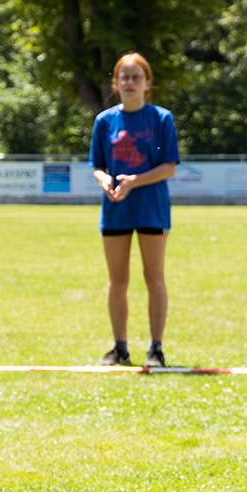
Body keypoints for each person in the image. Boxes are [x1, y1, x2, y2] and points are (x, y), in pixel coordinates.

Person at [90, 52, 178, 368]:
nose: (129, 83)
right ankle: (120, 348)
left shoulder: (161, 119)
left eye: (136, 77)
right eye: (124, 77)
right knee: (118, 280)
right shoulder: (104, 121)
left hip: (152, 208)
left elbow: (169, 167)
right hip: (115, 209)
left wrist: (134, 181)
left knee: (154, 277)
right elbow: (98, 166)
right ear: (115, 83)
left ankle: (155, 349)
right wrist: (105, 181)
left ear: (147, 84)